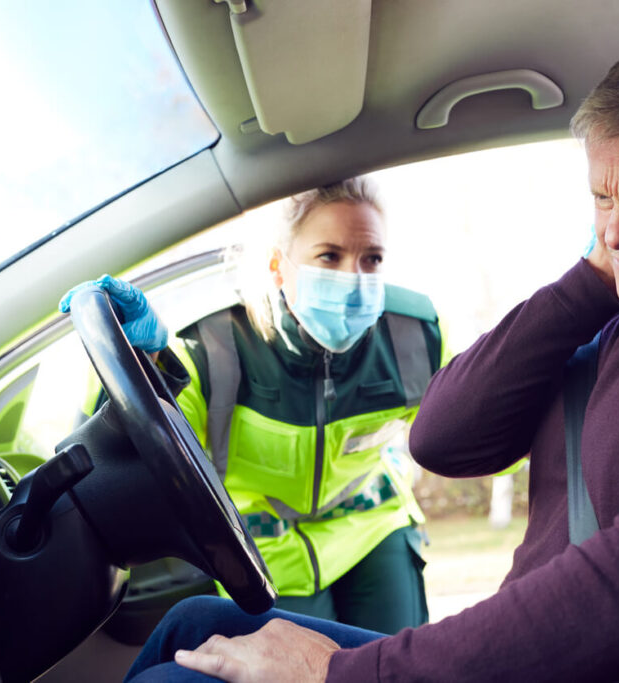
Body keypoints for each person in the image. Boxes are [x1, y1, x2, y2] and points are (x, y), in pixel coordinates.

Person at [123, 32, 619, 682]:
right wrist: (590, 282)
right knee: (192, 624)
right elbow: (445, 439)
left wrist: (344, 673)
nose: (617, 231)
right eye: (601, 198)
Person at [62, 177, 445, 635]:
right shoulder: (212, 346)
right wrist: (141, 357)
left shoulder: (415, 335)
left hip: (373, 528)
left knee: (398, 662)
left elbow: (473, 431)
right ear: (279, 266)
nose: (354, 278)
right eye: (329, 256)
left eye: (372, 259)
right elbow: (130, 442)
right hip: (269, 552)